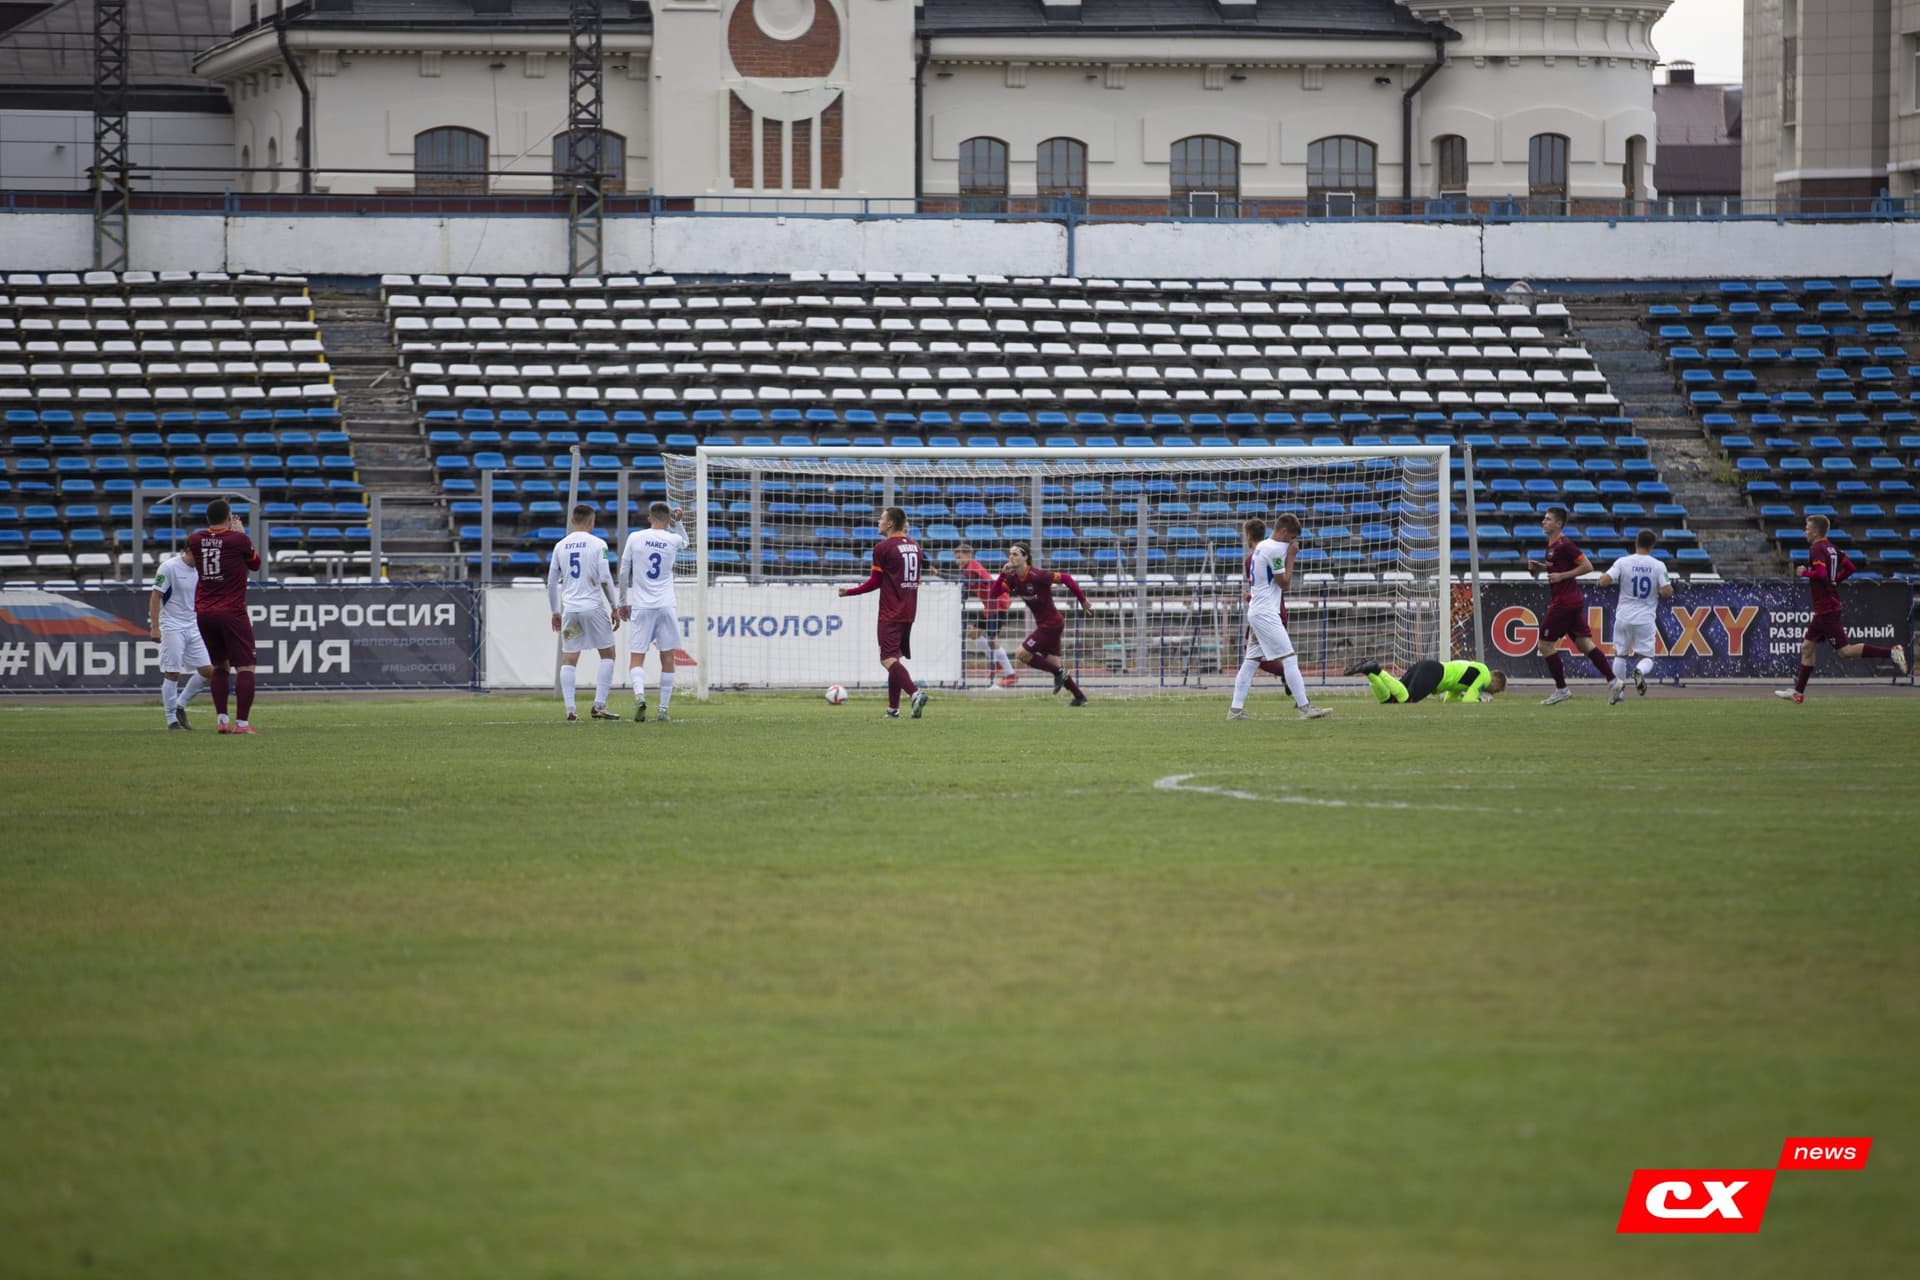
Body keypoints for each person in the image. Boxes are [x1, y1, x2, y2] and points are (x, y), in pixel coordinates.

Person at [1776, 513, 1909, 702]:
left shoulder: (1816, 548)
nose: (1805, 531)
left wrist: (1805, 572)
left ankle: (1892, 652)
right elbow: (1851, 568)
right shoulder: (1831, 548)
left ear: (1815, 531)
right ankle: (1798, 693)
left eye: (1806, 528)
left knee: (1845, 651)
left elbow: (1821, 574)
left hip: (1827, 609)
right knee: (1807, 647)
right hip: (1826, 607)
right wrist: (1835, 581)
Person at [1227, 515, 1331, 722]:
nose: (1291, 542)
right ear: (1283, 532)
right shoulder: (1275, 549)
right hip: (1266, 613)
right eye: (1290, 537)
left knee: (1250, 662)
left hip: (1258, 611)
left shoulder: (1263, 546)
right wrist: (1291, 556)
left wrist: (1289, 551)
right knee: (1289, 658)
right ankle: (1305, 708)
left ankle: (1235, 711)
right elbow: (1284, 583)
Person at [839, 506, 929, 719]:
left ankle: (914, 693)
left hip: (890, 611)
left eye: (881, 519)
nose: (878, 522)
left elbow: (874, 582)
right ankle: (893, 709)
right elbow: (917, 578)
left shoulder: (883, 548)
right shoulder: (915, 546)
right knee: (895, 659)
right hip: (909, 610)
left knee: (887, 659)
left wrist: (849, 592)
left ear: (890, 524)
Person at [1525, 505, 1620, 706]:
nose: (1544, 521)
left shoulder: (1564, 544)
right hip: (1571, 601)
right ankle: (1613, 681)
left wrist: (1561, 576)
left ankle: (1562, 689)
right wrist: (1542, 567)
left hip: (1564, 602)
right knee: (1584, 644)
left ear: (1559, 524)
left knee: (1544, 644)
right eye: (1544, 518)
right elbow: (1558, 568)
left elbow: (1587, 566)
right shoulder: (1551, 546)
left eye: (1548, 519)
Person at [185, 497, 262, 735]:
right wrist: (241, 533)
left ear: (207, 519)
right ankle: (241, 724)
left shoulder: (195, 539)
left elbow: (190, 560)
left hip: (204, 612)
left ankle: (221, 720)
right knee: (246, 667)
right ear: (229, 518)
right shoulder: (238, 539)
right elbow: (256, 564)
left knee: (219, 666)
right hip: (231, 611)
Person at [994, 540, 1092, 707]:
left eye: (1015, 554)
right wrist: (1002, 574)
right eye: (1010, 554)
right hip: (1047, 625)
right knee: (1054, 664)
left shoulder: (1037, 575)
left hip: (1051, 624)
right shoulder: (1012, 578)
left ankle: (1059, 673)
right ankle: (1079, 696)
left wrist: (1082, 600)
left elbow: (1066, 578)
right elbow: (994, 592)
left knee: (1021, 653)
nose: (1011, 557)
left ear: (1025, 557)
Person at [547, 503, 620, 721]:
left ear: (572, 521)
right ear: (591, 521)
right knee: (608, 654)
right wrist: (614, 607)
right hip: (593, 609)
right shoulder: (599, 544)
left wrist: (555, 611)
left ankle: (570, 709)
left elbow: (551, 582)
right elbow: (605, 578)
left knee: (569, 658)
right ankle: (599, 705)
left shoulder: (560, 546)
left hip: (570, 611)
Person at [618, 501, 687, 723]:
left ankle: (640, 697)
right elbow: (685, 542)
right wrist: (679, 523)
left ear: (649, 518)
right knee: (667, 657)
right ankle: (663, 710)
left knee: (637, 658)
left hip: (642, 605)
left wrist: (622, 602)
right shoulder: (673, 538)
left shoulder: (635, 538)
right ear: (668, 520)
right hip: (666, 604)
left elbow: (623, 570)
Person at [1594, 529, 1673, 702]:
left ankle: (1618, 693)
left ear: (1636, 542)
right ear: (1652, 546)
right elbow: (1667, 591)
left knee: (1620, 655)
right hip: (1645, 618)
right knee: (1647, 658)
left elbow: (1604, 581)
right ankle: (1639, 670)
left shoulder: (1623, 562)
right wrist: (1663, 589)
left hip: (1623, 616)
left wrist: (1602, 578)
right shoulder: (1658, 565)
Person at [148, 549, 212, 731]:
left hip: (194, 625)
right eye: (197, 554)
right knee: (173, 672)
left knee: (209, 670)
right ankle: (171, 720)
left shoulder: (203, 569)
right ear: (188, 551)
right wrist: (154, 627)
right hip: (172, 625)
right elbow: (155, 596)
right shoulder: (169, 567)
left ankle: (180, 705)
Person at [956, 541, 1017, 687]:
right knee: (974, 634)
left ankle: (1011, 674)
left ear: (969, 555)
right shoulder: (969, 569)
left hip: (998, 604)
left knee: (992, 638)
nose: (957, 561)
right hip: (989, 606)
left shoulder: (972, 569)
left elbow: (985, 582)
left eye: (960, 557)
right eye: (956, 558)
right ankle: (996, 662)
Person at [1345, 657, 1507, 704]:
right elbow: (1469, 700)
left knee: (1390, 700)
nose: (1494, 692)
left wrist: (1461, 698)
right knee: (1407, 700)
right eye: (1497, 690)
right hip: (1434, 673)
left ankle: (1370, 673)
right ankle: (1376, 670)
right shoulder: (1484, 677)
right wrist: (1481, 702)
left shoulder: (1473, 672)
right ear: (1496, 681)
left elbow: (1450, 700)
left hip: (1429, 667)